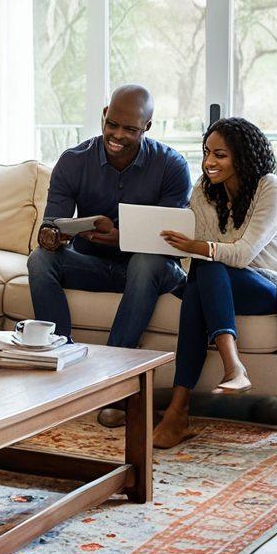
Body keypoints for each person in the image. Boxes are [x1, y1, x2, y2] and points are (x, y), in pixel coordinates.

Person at [28, 84, 191, 426]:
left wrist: (120, 238)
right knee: (39, 261)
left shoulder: (172, 166)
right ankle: (63, 364)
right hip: (92, 265)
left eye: (129, 129)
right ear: (104, 115)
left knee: (146, 262)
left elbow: (167, 241)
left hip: (152, 269)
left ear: (147, 126)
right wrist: (52, 237)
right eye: (112, 124)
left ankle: (113, 382)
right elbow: (51, 227)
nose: (117, 135)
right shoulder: (74, 161)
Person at [152, 117, 277, 449]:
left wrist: (195, 248)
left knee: (207, 266)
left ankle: (192, 401)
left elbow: (244, 254)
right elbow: (208, 252)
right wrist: (197, 249)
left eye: (220, 155)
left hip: (267, 287)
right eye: (206, 153)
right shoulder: (204, 192)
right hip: (217, 282)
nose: (209, 162)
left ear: (242, 157)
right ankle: (182, 408)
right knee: (204, 273)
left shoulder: (271, 188)